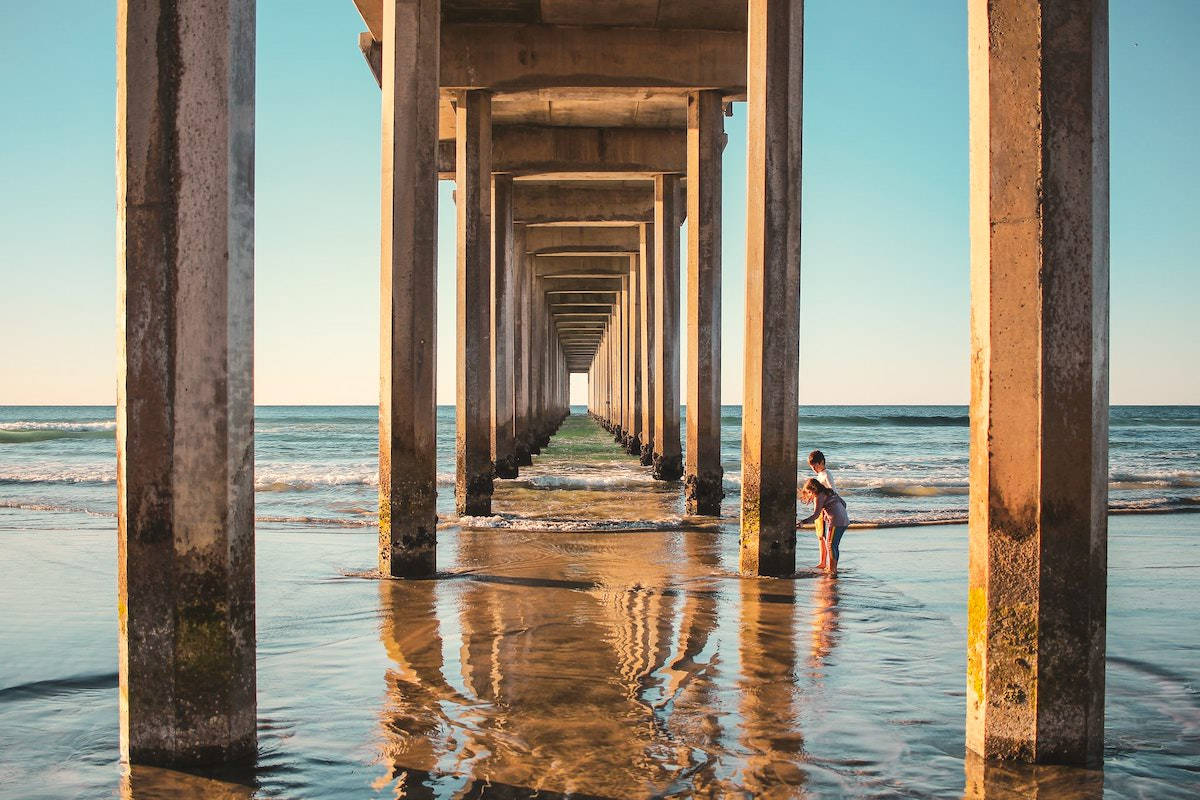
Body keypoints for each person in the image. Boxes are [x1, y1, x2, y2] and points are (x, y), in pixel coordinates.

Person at [798, 477, 850, 575]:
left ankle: (832, 569)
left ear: (813, 489)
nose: (809, 495)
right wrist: (831, 511)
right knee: (834, 545)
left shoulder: (819, 496)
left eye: (809, 492)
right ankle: (833, 568)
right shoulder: (830, 492)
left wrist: (802, 522)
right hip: (845, 520)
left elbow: (816, 515)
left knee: (830, 545)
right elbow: (844, 504)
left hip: (836, 521)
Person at [805, 450, 836, 569]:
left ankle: (827, 562)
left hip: (825, 510)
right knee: (820, 536)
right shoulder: (819, 475)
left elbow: (832, 491)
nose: (814, 469)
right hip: (819, 510)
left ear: (822, 462)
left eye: (815, 466)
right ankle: (822, 561)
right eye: (812, 467)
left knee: (825, 537)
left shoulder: (827, 474)